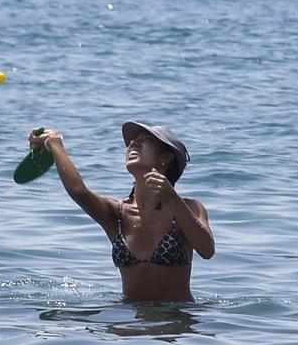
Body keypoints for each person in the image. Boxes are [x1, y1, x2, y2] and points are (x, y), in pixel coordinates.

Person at [28, 121, 214, 303]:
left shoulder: (189, 208)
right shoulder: (117, 214)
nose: (133, 142)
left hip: (176, 322)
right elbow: (79, 192)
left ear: (166, 157)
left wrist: (172, 198)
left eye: (146, 139)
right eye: (133, 140)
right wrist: (54, 143)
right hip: (128, 319)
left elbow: (207, 250)